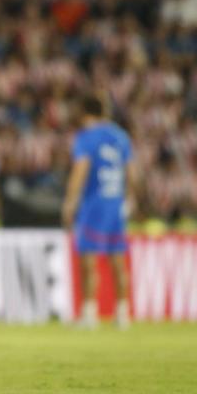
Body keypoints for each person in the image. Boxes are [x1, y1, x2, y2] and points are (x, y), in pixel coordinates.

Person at [62, 94, 134, 329]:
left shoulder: (86, 138)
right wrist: (130, 198)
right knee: (117, 260)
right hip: (116, 203)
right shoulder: (121, 136)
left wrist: (70, 202)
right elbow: (132, 171)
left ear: (83, 112)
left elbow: (80, 170)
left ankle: (89, 313)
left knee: (88, 261)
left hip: (94, 205)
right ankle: (123, 313)